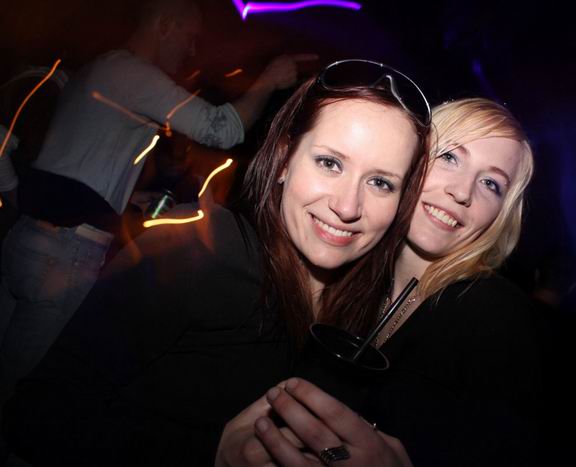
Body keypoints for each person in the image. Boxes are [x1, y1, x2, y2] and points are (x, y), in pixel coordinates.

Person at [2, 59, 431, 467]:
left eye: (380, 182)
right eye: (330, 163)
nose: (348, 206)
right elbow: (36, 417)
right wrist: (210, 454)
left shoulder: (359, 314)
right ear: (284, 160)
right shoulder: (198, 252)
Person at [0, 0, 314, 409]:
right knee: (24, 395)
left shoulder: (99, 68)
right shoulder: (130, 72)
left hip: (26, 240)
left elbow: (77, 158)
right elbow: (220, 129)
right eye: (190, 37)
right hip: (64, 256)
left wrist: (127, 196)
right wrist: (268, 81)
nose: (191, 50)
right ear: (166, 24)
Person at [217, 97, 540, 467]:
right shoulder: (347, 275)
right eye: (450, 157)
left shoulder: (496, 316)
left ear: (501, 214)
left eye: (491, 183)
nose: (462, 192)